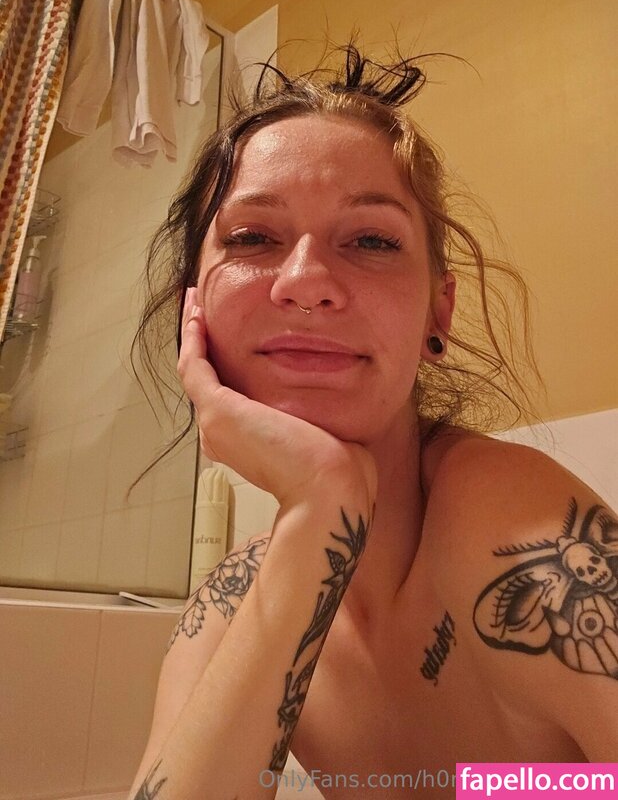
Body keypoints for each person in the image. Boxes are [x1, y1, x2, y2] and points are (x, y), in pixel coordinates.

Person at [127, 44, 618, 800]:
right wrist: (319, 506)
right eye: (252, 238)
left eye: (372, 241)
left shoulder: (504, 520)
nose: (305, 283)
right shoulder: (234, 592)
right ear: (195, 306)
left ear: (437, 313)